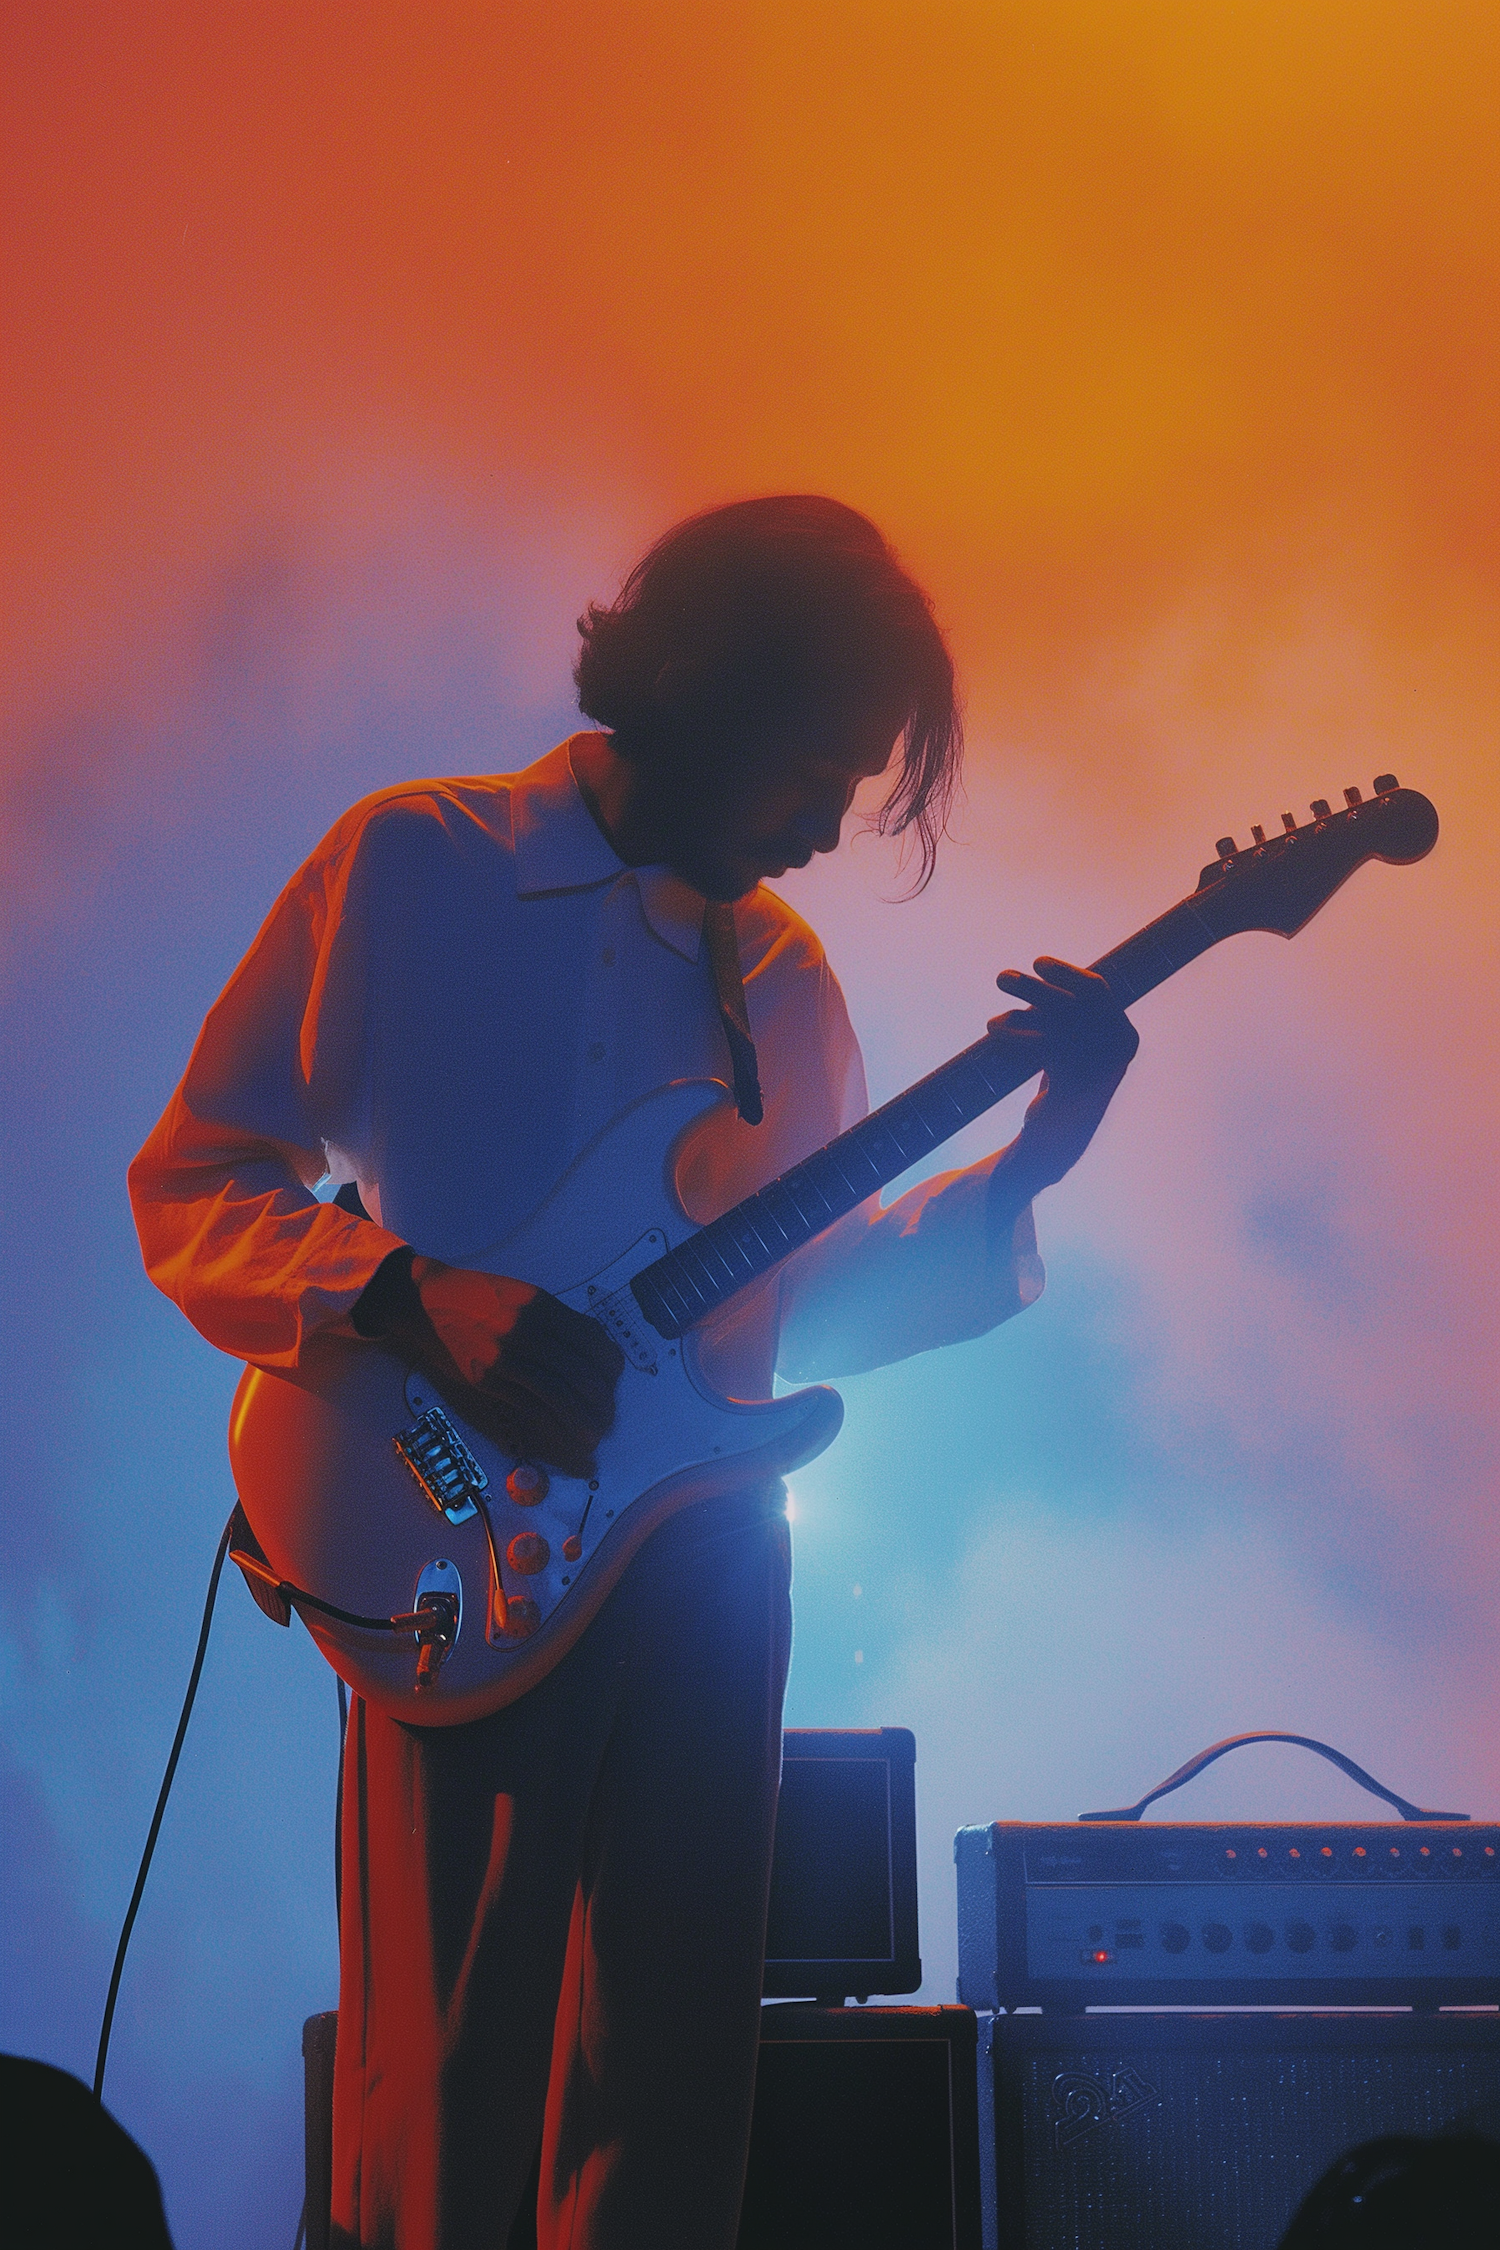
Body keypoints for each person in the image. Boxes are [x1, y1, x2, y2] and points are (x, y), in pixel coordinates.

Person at [129, 496, 1138, 2249]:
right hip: (444, 1533)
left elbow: (801, 1313)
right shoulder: (414, 867)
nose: (831, 827)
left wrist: (1027, 1170)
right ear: (701, 689)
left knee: (670, 2096)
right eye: (815, 770)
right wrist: (407, 1291)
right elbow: (196, 1181)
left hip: (708, 1553)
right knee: (442, 2088)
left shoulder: (782, 974)